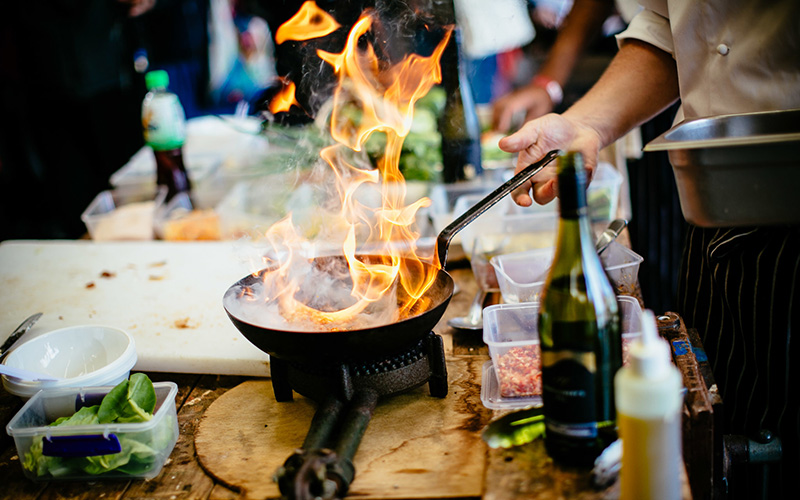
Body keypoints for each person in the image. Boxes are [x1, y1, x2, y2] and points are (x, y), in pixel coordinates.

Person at [497, 0, 799, 497]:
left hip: (788, 227)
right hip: (710, 214)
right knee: (707, 436)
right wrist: (585, 125)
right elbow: (669, 27)